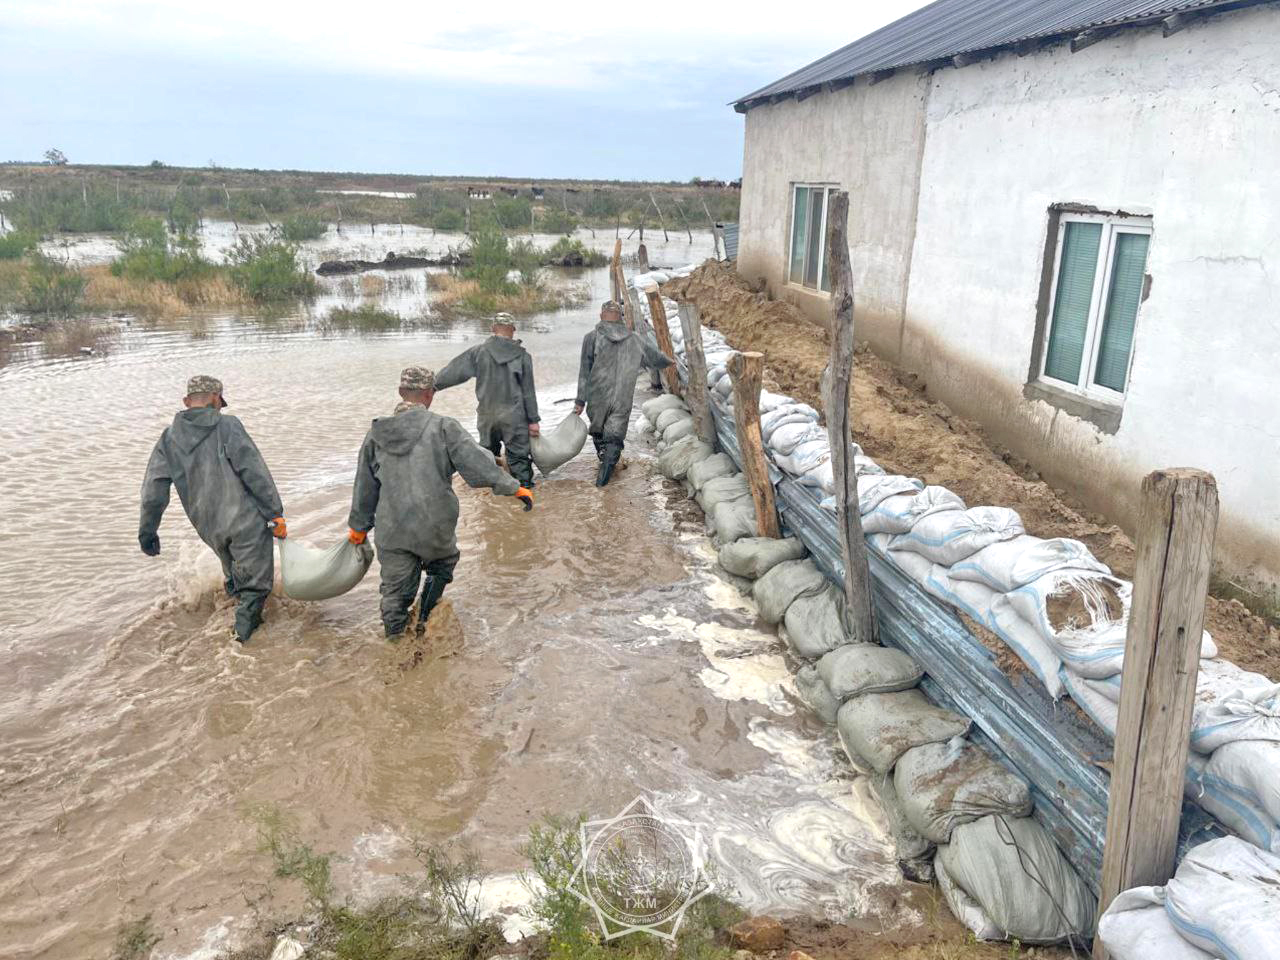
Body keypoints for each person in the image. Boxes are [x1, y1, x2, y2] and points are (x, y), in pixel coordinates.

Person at [348, 366, 535, 639]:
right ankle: (424, 617)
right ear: (429, 394)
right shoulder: (443, 427)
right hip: (434, 525)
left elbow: (364, 485)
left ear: (401, 392)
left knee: (394, 593)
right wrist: (515, 488)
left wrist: (359, 527)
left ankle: (394, 646)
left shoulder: (376, 434)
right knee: (443, 563)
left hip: (393, 530)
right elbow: (477, 463)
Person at [139, 375, 286, 644]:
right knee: (255, 588)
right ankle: (241, 645)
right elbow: (253, 471)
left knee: (234, 579)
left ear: (186, 402)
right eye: (220, 402)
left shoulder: (168, 438)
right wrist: (275, 513)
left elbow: (153, 490)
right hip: (245, 522)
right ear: (217, 399)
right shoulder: (227, 425)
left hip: (209, 528)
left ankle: (236, 625)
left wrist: (147, 531)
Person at [574, 299, 674, 486]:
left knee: (599, 432)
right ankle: (604, 480)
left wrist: (580, 401)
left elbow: (584, 372)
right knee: (615, 437)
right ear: (620, 317)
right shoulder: (635, 339)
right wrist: (671, 362)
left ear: (601, 316)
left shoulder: (592, 337)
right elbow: (656, 358)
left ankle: (603, 472)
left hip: (597, 397)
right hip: (622, 397)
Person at [434, 313, 540, 487]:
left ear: (492, 329)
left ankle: (492, 495)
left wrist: (433, 386)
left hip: (487, 415)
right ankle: (525, 495)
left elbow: (455, 371)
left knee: (487, 456)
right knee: (519, 458)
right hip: (515, 417)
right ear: (513, 330)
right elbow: (528, 391)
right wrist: (533, 421)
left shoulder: (478, 352)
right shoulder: (522, 356)